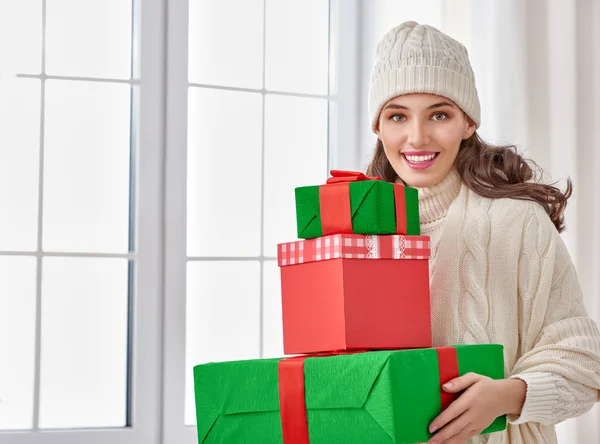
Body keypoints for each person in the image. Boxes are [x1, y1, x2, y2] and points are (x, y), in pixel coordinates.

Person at [365, 21, 600, 444]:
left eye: (439, 114)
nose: (417, 136)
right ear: (378, 128)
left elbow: (586, 368)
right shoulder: (354, 236)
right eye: (397, 115)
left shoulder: (517, 223)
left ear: (468, 122)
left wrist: (507, 397)